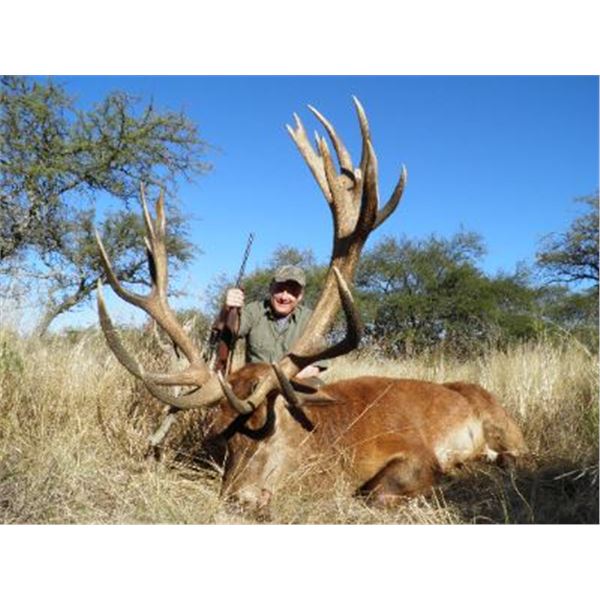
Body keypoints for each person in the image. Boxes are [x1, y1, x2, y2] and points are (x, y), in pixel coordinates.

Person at [225, 265, 326, 380]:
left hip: (295, 380)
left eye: (292, 291)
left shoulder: (311, 319)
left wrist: (286, 376)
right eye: (279, 289)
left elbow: (317, 365)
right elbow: (234, 329)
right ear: (270, 289)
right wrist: (228, 310)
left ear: (300, 296)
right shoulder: (253, 311)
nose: (284, 297)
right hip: (256, 381)